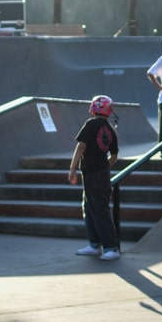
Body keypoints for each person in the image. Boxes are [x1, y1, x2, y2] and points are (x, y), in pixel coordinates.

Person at [68, 95, 121, 260]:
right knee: (91, 208)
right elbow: (114, 156)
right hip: (100, 173)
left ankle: (111, 248)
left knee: (99, 210)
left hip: (92, 174)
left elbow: (81, 146)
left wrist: (72, 170)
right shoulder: (110, 129)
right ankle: (95, 244)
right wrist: (105, 167)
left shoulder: (90, 124)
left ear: (93, 109)